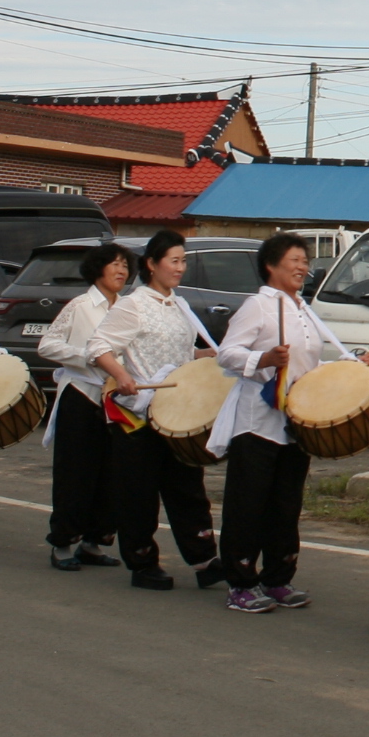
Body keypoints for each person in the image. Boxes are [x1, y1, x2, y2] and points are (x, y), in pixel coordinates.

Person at [213, 234, 337, 613]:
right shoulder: (258, 306)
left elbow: (306, 364)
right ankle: (241, 583)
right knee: (248, 503)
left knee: (286, 504)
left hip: (295, 421)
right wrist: (263, 358)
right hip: (257, 421)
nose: (303, 266)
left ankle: (278, 578)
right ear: (271, 265)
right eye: (295, 259)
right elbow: (227, 354)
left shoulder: (304, 308)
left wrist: (347, 368)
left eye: (305, 261)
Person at [93, 227, 222, 590]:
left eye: (183, 261)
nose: (180, 268)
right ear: (151, 264)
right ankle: (142, 561)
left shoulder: (180, 305)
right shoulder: (133, 305)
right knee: (138, 492)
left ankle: (204, 559)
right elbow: (98, 346)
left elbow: (181, 353)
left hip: (176, 411)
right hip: (138, 413)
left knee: (188, 487)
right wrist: (122, 375)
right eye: (174, 261)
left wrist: (206, 355)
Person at [36, 243, 134, 573]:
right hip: (81, 394)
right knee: (75, 473)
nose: (121, 270)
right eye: (114, 264)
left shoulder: (127, 308)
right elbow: (47, 344)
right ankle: (63, 542)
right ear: (97, 269)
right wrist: (88, 358)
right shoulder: (80, 306)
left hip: (115, 399)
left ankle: (94, 542)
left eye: (125, 265)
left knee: (110, 474)